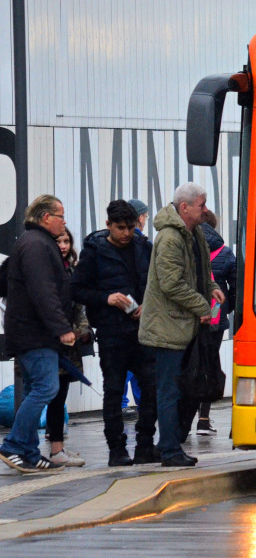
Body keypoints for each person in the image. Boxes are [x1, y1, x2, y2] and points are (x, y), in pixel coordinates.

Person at [139, 183, 223, 467]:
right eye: (202, 205)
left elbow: (201, 269)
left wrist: (210, 286)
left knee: (182, 388)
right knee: (169, 390)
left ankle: (170, 444)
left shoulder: (195, 232)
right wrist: (202, 306)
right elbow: (171, 283)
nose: (206, 210)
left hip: (184, 325)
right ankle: (169, 450)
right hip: (167, 328)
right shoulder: (170, 238)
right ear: (184, 207)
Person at [72, 200, 157, 467]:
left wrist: (148, 304)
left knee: (150, 389)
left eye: (131, 227)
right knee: (113, 390)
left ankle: (145, 445)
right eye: (120, 228)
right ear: (108, 225)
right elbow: (76, 290)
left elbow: (157, 283)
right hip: (112, 331)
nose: (126, 233)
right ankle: (116, 449)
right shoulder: (94, 252)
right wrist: (107, 298)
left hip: (143, 331)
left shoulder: (144, 247)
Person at [0, 195, 75, 474]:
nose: (64, 222)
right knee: (47, 387)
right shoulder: (37, 245)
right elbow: (42, 290)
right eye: (61, 216)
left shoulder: (34, 243)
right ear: (46, 218)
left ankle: (29, 452)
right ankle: (13, 445)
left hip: (31, 331)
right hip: (35, 333)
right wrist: (62, 328)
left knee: (34, 388)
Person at [47, 228, 89, 467]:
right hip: (53, 341)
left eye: (66, 241)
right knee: (49, 395)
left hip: (68, 341)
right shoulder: (49, 270)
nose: (63, 245)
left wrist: (81, 331)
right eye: (58, 241)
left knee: (59, 396)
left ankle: (57, 447)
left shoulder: (71, 269)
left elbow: (79, 306)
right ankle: (53, 449)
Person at [195, 210, 236, 436]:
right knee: (210, 364)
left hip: (188, 318)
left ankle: (184, 417)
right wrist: (227, 308)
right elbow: (235, 287)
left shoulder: (188, 249)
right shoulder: (225, 253)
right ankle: (203, 418)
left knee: (192, 364)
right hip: (215, 319)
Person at [122, 198, 150, 413]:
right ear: (140, 217)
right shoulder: (144, 245)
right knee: (138, 363)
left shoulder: (111, 245)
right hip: (139, 310)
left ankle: (123, 403)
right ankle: (142, 403)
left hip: (120, 310)